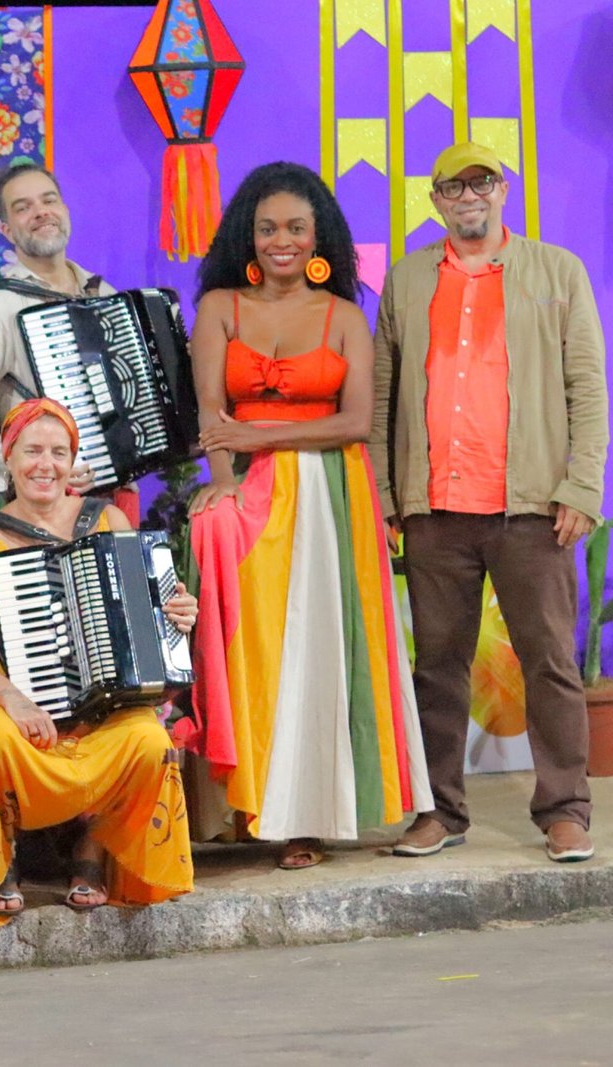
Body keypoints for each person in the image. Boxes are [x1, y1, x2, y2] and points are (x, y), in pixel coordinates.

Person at [187, 161, 433, 869]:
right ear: (248, 236)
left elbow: (355, 422)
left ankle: (310, 818)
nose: (282, 241)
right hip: (251, 491)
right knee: (259, 641)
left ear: (319, 235)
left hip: (330, 495)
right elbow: (213, 414)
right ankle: (248, 803)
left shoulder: (345, 315)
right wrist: (225, 484)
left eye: (296, 227)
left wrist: (259, 438)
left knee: (320, 648)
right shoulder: (219, 308)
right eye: (267, 228)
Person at [371, 142, 607, 863]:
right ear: (435, 199)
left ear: (503, 190)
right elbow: (382, 397)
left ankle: (564, 810)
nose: (469, 196)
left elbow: (588, 386)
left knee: (549, 663)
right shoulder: (408, 279)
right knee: (437, 669)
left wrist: (582, 486)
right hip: (434, 509)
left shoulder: (556, 270)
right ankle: (440, 812)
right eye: (454, 186)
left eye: (482, 183)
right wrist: (386, 493)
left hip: (533, 509)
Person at [0, 398, 196, 928]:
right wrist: (13, 699)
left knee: (149, 741)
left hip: (103, 695)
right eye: (32, 451)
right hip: (8, 687)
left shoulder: (105, 518)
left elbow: (148, 612)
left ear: (72, 460)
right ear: (8, 457)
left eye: (59, 453)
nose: (46, 465)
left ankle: (93, 849)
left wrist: (177, 613)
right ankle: (1, 860)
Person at [0, 164, 111, 530]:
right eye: (23, 207)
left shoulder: (103, 294)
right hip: (41, 507)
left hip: (114, 494)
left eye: (49, 200)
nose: (41, 212)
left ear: (64, 209)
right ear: (6, 229)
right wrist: (24, 466)